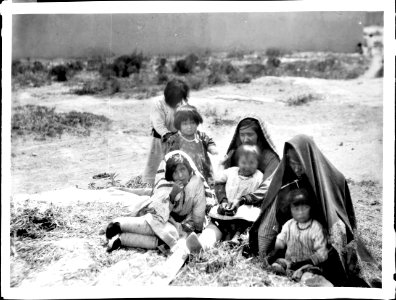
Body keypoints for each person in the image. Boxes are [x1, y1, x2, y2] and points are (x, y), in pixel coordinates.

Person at [246, 134, 377, 287]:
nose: (296, 169)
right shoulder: (287, 184)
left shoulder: (334, 178)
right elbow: (270, 222)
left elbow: (339, 224)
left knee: (322, 268)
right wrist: (264, 254)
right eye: (292, 163)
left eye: (300, 164)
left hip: (323, 242)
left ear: (309, 159)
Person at [186, 115, 280, 252]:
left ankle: (237, 242)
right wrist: (223, 200)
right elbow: (220, 181)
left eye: (250, 135)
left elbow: (267, 188)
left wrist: (242, 200)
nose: (245, 139)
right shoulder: (236, 153)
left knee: (247, 228)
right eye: (242, 135)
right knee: (217, 224)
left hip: (254, 208)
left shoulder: (271, 158)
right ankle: (202, 245)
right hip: (230, 205)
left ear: (259, 135)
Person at [106, 151, 206, 253]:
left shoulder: (196, 182)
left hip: (173, 225)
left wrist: (198, 230)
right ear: (171, 175)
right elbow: (159, 214)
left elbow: (199, 211)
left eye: (182, 169)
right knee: (158, 228)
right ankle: (119, 225)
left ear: (189, 170)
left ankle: (122, 239)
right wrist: (173, 195)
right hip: (158, 218)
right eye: (175, 172)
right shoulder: (165, 185)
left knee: (171, 234)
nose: (180, 175)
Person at [265, 188, 328, 282]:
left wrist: (301, 264)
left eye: (305, 208)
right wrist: (272, 255)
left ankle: (302, 277)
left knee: (307, 277)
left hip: (308, 265)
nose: (300, 213)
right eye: (296, 209)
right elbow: (280, 243)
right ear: (289, 209)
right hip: (289, 263)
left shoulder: (316, 227)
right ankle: (285, 276)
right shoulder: (289, 224)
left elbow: (322, 254)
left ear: (311, 207)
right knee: (276, 266)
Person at [142, 79, 189, 186]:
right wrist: (168, 135)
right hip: (159, 139)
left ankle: (173, 184)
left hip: (176, 138)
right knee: (154, 164)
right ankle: (149, 186)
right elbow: (158, 124)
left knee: (175, 164)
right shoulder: (158, 104)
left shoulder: (182, 104)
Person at [166, 104, 218, 187]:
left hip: (204, 171)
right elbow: (170, 157)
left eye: (192, 123)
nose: (189, 127)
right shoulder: (175, 140)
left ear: (197, 123)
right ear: (179, 125)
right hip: (187, 173)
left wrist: (212, 148)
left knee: (207, 189)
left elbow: (209, 141)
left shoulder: (200, 136)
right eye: (185, 124)